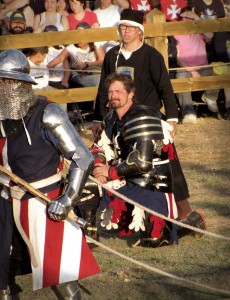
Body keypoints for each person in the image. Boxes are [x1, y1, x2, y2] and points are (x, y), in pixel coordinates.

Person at [92, 8, 206, 232]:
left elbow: (165, 86)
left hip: (150, 121)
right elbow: (103, 90)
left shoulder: (151, 55)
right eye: (123, 27)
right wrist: (98, 118)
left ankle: (187, 214)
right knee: (124, 164)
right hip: (119, 121)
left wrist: (172, 118)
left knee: (167, 166)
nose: (126, 31)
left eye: (131, 28)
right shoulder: (111, 56)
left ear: (140, 32)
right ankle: (126, 215)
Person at [0, 49, 100, 299]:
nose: (1, 86)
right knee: (1, 276)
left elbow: (82, 157)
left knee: (61, 275)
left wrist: (67, 199)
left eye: (4, 81)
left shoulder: (48, 112)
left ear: (19, 83)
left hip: (43, 201)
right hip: (4, 200)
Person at [92, 72, 179, 247]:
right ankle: (90, 234)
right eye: (110, 92)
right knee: (88, 185)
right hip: (126, 177)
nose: (113, 96)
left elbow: (142, 162)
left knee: (155, 240)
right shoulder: (110, 118)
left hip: (150, 183)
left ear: (131, 93)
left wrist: (110, 171)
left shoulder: (142, 116)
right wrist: (98, 165)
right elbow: (98, 146)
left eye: (118, 91)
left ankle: (190, 223)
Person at [175, 7, 219, 124]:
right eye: (182, 17)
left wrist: (196, 18)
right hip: (186, 68)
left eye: (187, 17)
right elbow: (178, 58)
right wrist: (192, 71)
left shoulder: (199, 30)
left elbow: (210, 35)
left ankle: (210, 97)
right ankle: (188, 112)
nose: (184, 20)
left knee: (217, 70)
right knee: (180, 77)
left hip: (203, 67)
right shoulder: (177, 33)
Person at [47, 22, 104, 88]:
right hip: (79, 75)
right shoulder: (71, 47)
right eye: (77, 37)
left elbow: (102, 60)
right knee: (98, 80)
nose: (79, 40)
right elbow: (58, 59)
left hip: (94, 72)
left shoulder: (95, 44)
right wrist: (42, 69)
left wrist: (87, 64)